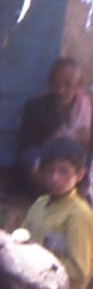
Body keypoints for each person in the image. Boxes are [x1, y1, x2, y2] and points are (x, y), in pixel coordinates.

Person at [21, 135, 93, 289]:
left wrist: (40, 266)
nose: (55, 178)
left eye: (63, 171)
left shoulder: (79, 214)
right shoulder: (40, 205)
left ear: (79, 175)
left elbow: (81, 270)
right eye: (50, 171)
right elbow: (23, 239)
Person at [17, 56, 92, 195]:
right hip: (46, 173)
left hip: (77, 176)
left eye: (67, 84)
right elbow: (26, 147)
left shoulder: (87, 110)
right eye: (55, 84)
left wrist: (84, 139)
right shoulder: (35, 107)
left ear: (79, 83)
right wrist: (37, 171)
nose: (60, 90)